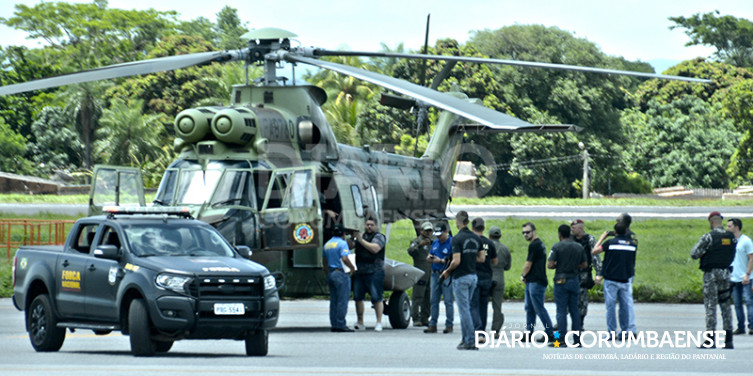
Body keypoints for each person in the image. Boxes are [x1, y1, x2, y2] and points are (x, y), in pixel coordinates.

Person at [690, 211, 736, 348]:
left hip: (711, 275)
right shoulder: (731, 237)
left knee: (710, 305)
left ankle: (710, 340)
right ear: (721, 221)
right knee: (725, 305)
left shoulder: (709, 237)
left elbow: (694, 254)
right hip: (726, 274)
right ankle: (728, 340)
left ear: (711, 222)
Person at [441, 210, 485, 350]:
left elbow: (456, 261)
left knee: (463, 310)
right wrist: (470, 258)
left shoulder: (457, 239)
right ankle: (465, 338)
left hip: (461, 277)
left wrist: (447, 271)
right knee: (468, 307)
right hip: (473, 276)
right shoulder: (477, 238)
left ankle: (470, 340)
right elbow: (482, 258)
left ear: (458, 221)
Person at [593, 221, 637, 339]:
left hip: (611, 279)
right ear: (626, 231)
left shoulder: (610, 243)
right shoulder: (632, 244)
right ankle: (625, 331)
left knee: (610, 308)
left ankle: (611, 333)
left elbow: (594, 251)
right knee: (625, 307)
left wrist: (602, 238)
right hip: (625, 279)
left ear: (615, 232)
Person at [547, 224, 587, 347]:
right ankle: (577, 339)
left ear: (560, 234)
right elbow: (584, 264)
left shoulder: (556, 247)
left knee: (561, 312)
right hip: (574, 280)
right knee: (575, 310)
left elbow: (550, 264)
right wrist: (574, 266)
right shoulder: (579, 247)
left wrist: (558, 265)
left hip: (560, 280)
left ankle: (560, 340)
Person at [521, 222, 554, 342]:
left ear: (534, 231)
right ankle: (528, 333)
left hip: (536, 281)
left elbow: (528, 264)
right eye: (523, 232)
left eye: (528, 232)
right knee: (530, 308)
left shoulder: (534, 245)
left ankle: (550, 333)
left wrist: (523, 275)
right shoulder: (539, 244)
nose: (525, 234)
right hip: (533, 280)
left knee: (539, 308)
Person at [353, 214, 387, 332]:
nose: (369, 227)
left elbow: (375, 248)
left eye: (371, 225)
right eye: (367, 225)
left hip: (375, 271)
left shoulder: (379, 237)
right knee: (357, 297)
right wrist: (352, 238)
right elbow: (350, 246)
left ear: (376, 226)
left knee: (376, 297)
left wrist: (361, 240)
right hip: (360, 271)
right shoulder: (360, 237)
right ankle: (360, 321)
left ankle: (379, 322)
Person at [322, 224, 356, 332]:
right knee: (342, 300)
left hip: (331, 273)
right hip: (341, 273)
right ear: (343, 234)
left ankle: (334, 324)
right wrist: (352, 267)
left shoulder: (327, 244)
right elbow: (344, 258)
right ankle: (341, 324)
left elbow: (325, 261)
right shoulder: (342, 244)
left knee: (334, 301)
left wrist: (328, 273)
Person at [424, 222, 454, 334]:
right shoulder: (436, 242)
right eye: (437, 235)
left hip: (446, 273)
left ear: (446, 232)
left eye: (440, 235)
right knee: (433, 300)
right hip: (435, 273)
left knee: (448, 300)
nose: (438, 237)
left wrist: (441, 261)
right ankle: (433, 324)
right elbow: (430, 254)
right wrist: (430, 258)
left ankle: (449, 324)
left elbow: (454, 259)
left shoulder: (452, 242)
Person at [570, 219, 600, 329]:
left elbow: (595, 257)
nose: (571, 229)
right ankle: (561, 321)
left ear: (580, 228)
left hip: (584, 275)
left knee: (582, 300)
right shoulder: (569, 239)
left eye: (574, 228)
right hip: (570, 273)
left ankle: (580, 323)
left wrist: (598, 273)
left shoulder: (589, 239)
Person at [470, 217, 497, 335]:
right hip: (486, 277)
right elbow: (495, 261)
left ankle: (476, 329)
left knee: (473, 305)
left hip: (474, 275)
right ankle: (482, 332)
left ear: (472, 227)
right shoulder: (489, 243)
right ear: (484, 228)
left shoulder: (471, 242)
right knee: (483, 305)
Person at [726, 218, 753, 335]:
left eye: (729, 226)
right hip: (733, 277)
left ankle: (751, 326)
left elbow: (751, 258)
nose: (727, 228)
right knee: (737, 304)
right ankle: (740, 327)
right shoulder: (729, 241)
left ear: (736, 227)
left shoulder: (746, 241)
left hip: (745, 277)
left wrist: (747, 274)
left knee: (749, 301)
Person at [407, 221, 435, 326]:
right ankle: (415, 317)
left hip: (431, 273)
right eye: (426, 231)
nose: (428, 233)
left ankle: (425, 317)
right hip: (420, 272)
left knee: (428, 296)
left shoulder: (434, 242)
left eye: (430, 231)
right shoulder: (417, 241)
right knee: (418, 295)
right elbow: (410, 251)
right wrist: (419, 245)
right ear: (421, 230)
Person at [488, 225, 511, 339]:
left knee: (481, 304)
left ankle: (479, 328)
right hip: (499, 278)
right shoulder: (505, 249)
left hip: (487, 277)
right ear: (500, 236)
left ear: (489, 236)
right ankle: (495, 330)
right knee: (497, 306)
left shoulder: (486, 247)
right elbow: (508, 266)